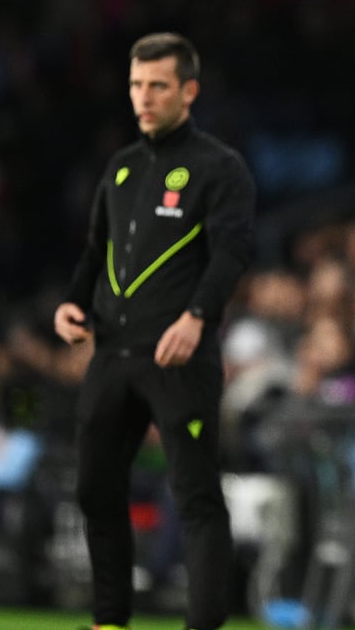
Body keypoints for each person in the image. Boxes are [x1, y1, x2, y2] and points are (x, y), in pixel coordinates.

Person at [53, 32, 256, 630]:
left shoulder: (220, 167)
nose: (144, 97)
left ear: (188, 91)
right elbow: (96, 253)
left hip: (178, 356)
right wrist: (72, 303)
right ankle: (110, 620)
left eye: (158, 85)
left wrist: (198, 317)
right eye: (137, 85)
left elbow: (233, 251)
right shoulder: (120, 168)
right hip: (113, 352)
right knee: (94, 490)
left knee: (194, 497)